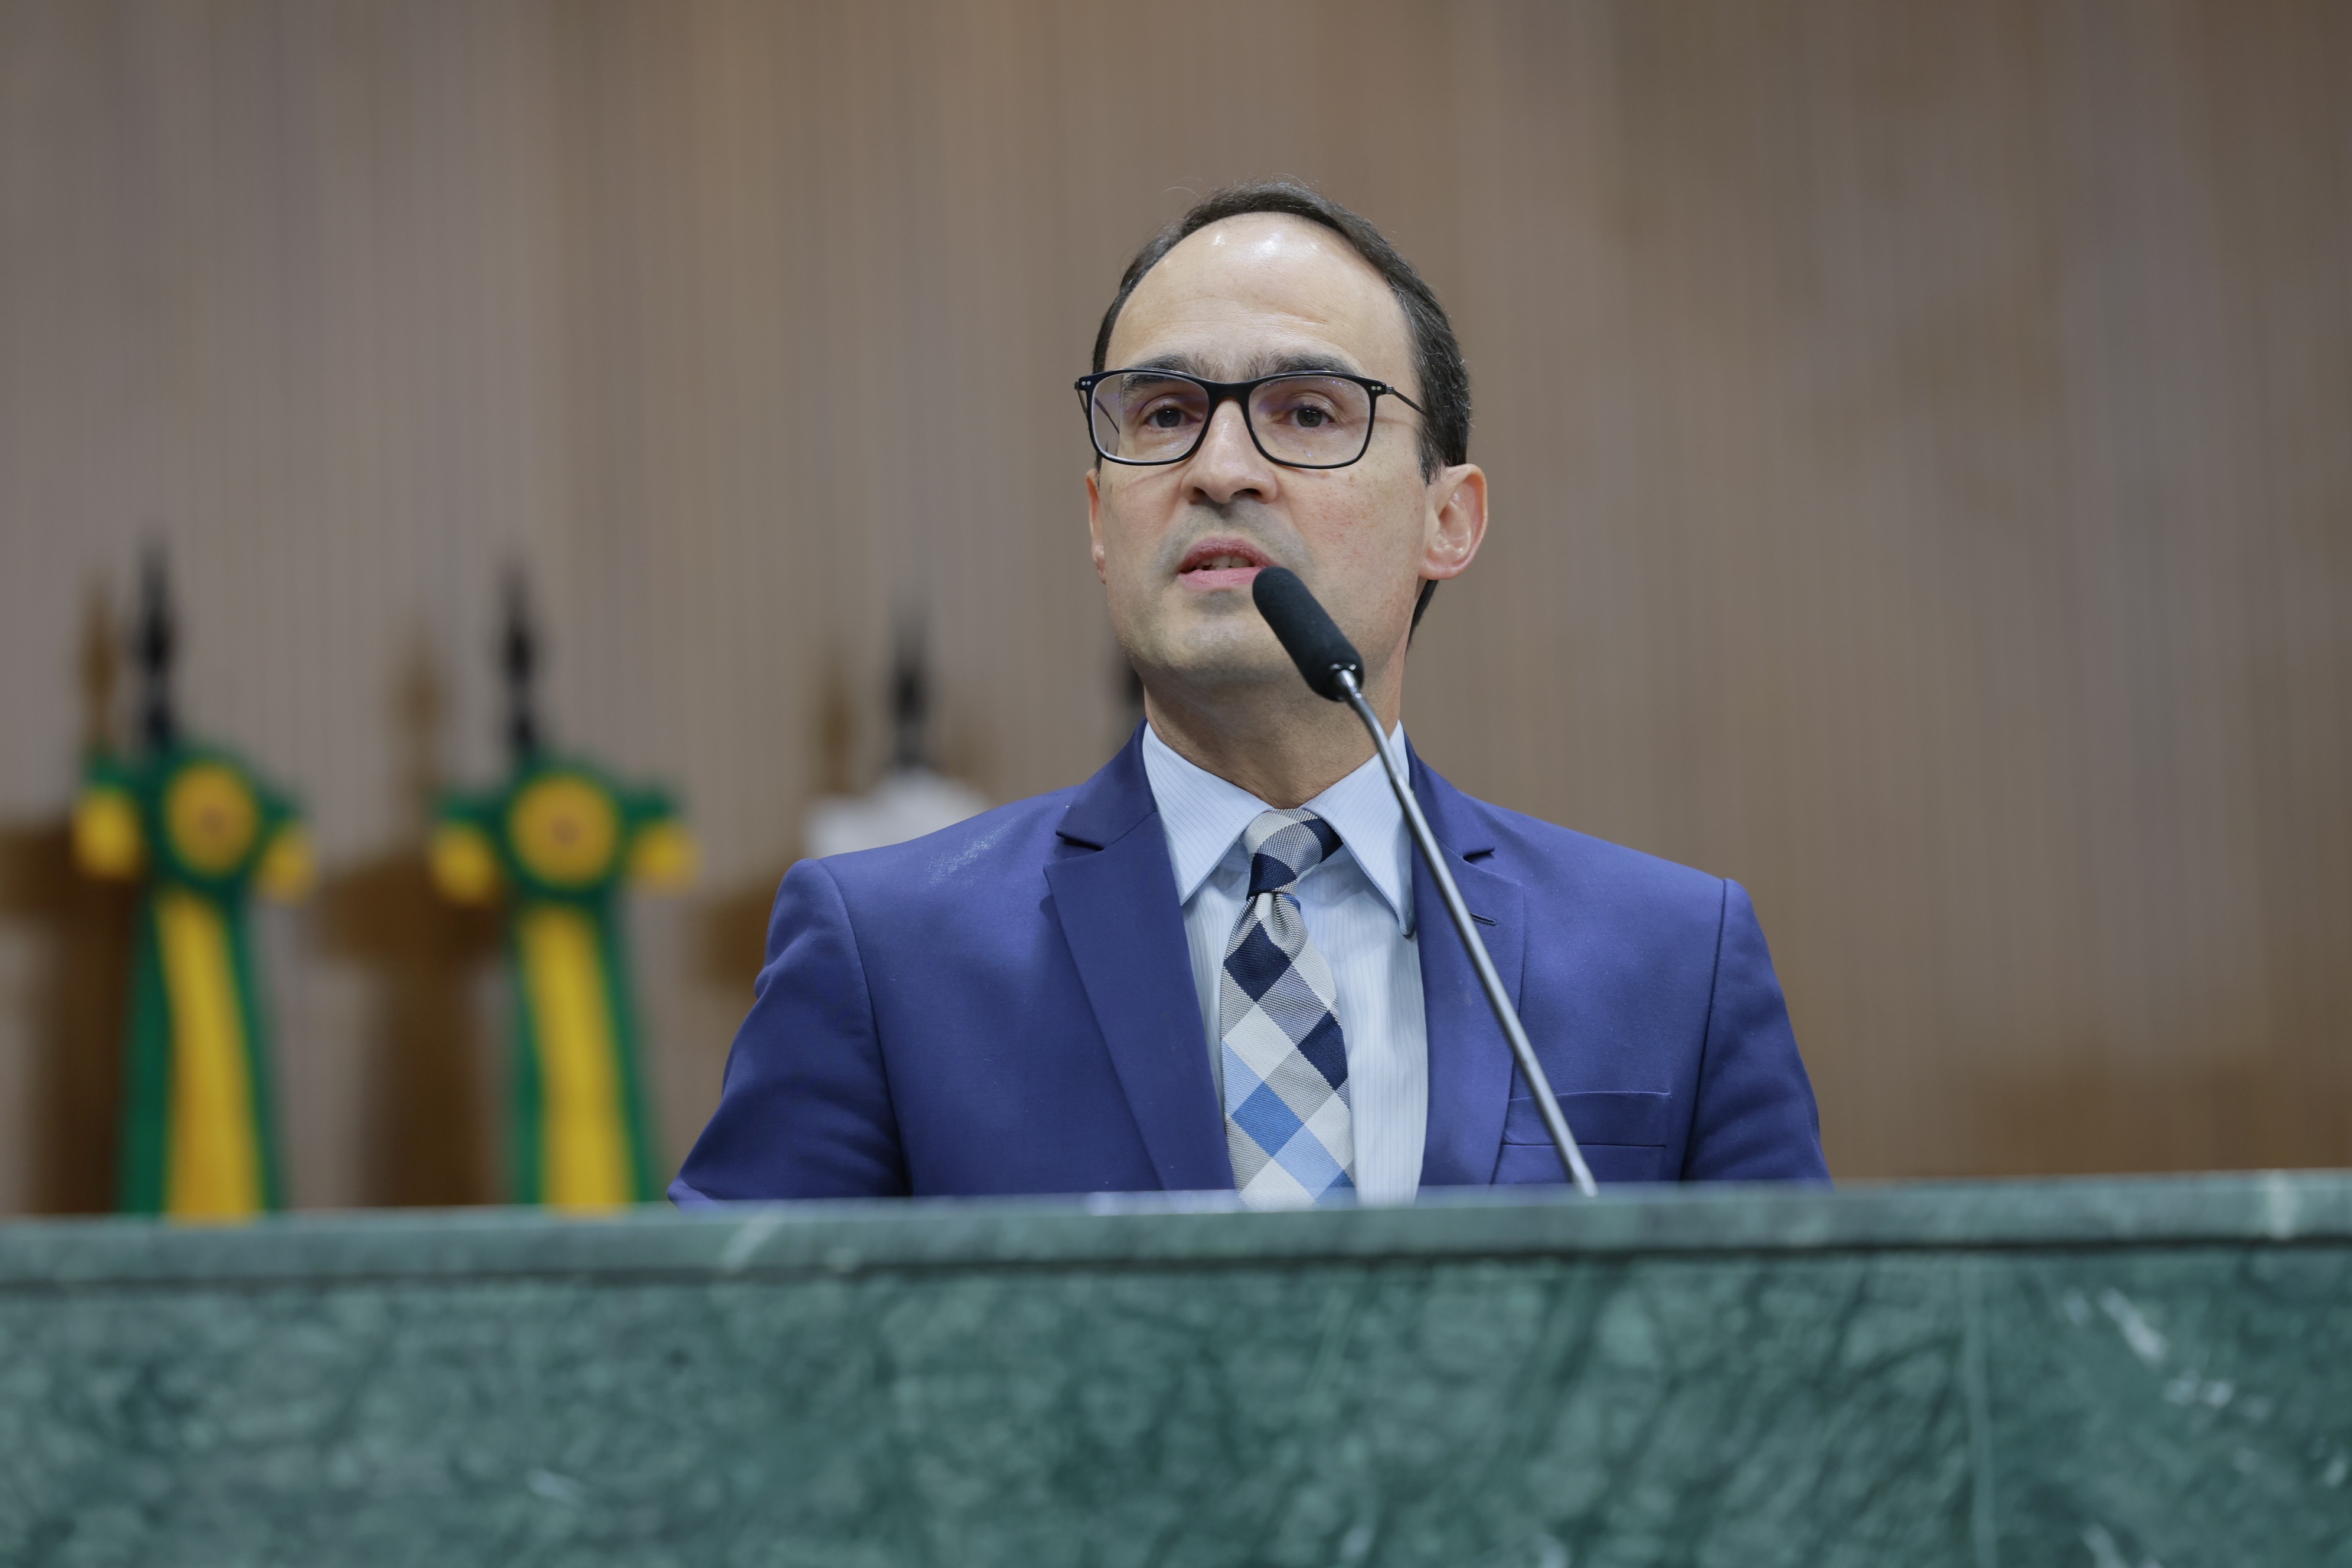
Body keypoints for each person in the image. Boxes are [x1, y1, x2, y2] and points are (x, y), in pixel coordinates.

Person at [674, 182, 1827, 1206]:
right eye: (1166, 415)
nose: (1219, 469)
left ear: (1448, 518)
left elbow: (1802, 1358)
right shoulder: (889, 955)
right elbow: (721, 1356)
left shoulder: (1673, 961)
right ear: (1100, 519)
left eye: (1308, 412)